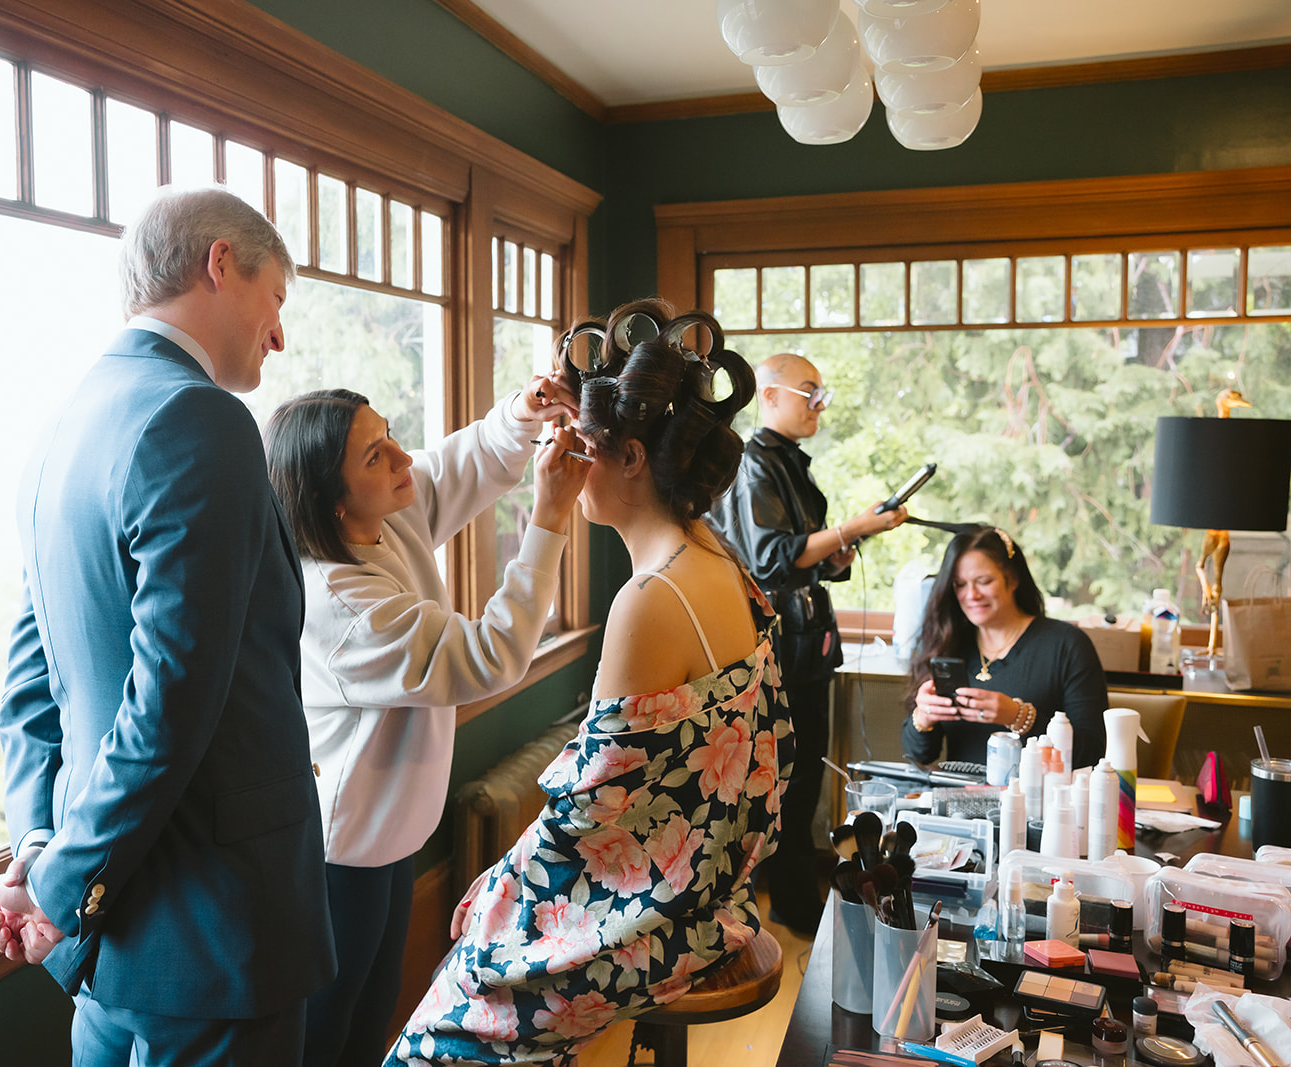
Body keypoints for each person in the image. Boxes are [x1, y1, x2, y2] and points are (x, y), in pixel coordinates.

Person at [0, 186, 336, 1066]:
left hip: (116, 938)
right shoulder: (199, 417)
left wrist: (41, 847)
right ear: (219, 263)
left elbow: (29, 686)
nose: (279, 335)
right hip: (219, 930)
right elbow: (171, 698)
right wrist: (53, 885)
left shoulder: (61, 431)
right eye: (275, 297)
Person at [385, 300, 789, 1066]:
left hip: (657, 919)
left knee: (437, 1034)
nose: (566, 452)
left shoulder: (650, 600)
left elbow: (585, 816)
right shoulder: (720, 558)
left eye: (585, 440)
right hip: (708, 889)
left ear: (633, 457)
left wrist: (496, 894)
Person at [263, 382, 591, 1067]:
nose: (401, 457)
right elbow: (488, 655)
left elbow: (460, 464)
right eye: (376, 454)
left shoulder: (380, 517)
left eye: (388, 435)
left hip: (393, 828)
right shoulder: (337, 599)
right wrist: (550, 517)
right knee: (332, 1025)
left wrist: (523, 413)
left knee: (374, 1006)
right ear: (334, 497)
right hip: (341, 847)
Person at [704, 352, 906, 936]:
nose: (818, 404)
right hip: (777, 646)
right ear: (768, 397)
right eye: (808, 392)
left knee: (809, 777)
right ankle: (790, 904)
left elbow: (800, 555)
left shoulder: (788, 462)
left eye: (823, 394)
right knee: (786, 783)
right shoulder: (752, 463)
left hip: (808, 641)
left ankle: (799, 898)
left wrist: (836, 552)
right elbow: (770, 557)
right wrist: (852, 529)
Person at [903, 525, 1107, 769]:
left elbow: (1091, 752)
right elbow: (921, 754)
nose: (972, 595)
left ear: (1012, 579)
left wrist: (1019, 717)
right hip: (960, 801)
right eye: (960, 585)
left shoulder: (1067, 645)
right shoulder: (947, 643)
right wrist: (924, 717)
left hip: (1041, 800)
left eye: (984, 581)